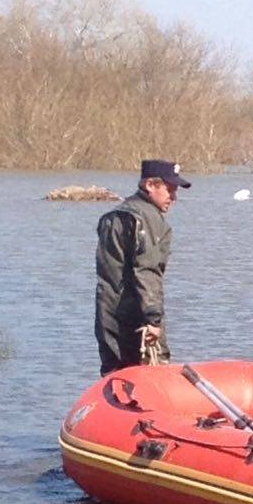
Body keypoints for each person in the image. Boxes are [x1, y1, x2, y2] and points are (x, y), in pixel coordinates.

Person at [94, 159, 191, 376]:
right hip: (139, 320)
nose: (173, 198)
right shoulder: (149, 219)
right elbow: (147, 271)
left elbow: (108, 273)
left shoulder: (113, 216)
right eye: (169, 190)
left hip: (108, 314)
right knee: (154, 378)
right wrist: (153, 319)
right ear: (150, 185)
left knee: (114, 377)